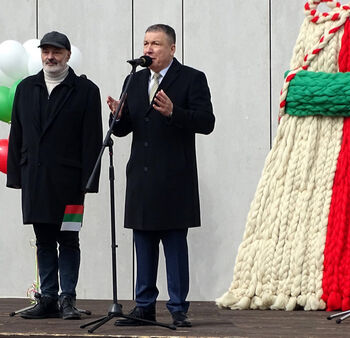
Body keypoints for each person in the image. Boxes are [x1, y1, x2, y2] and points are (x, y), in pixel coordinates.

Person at [107, 24, 214, 327]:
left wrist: (174, 112)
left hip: (174, 179)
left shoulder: (192, 78)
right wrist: (117, 116)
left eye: (155, 43)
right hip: (141, 178)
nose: (148, 49)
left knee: (174, 245)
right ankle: (144, 306)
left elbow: (207, 122)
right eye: (145, 43)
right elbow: (128, 127)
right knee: (143, 243)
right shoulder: (135, 79)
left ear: (172, 49)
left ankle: (178, 308)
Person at [7, 31, 103, 320]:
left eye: (57, 52)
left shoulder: (86, 91)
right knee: (44, 240)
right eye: (46, 51)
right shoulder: (26, 88)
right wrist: (16, 177)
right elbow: (17, 136)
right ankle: (47, 297)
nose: (50, 57)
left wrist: (90, 182)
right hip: (35, 181)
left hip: (71, 184)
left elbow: (92, 139)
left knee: (69, 240)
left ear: (68, 55)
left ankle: (67, 300)